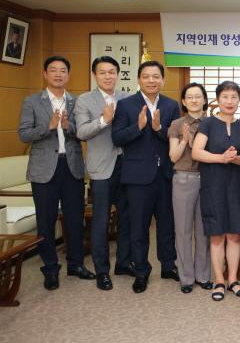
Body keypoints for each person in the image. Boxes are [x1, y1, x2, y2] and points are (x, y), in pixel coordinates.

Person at [18, 55, 95, 290]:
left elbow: (82, 133)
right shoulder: (32, 101)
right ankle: (50, 268)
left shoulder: (76, 102)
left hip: (71, 167)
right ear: (45, 74)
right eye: (53, 70)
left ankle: (76, 264)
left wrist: (67, 126)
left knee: (75, 219)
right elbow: (24, 134)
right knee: (46, 221)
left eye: (63, 70)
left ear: (68, 75)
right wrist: (48, 127)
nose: (58, 74)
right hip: (43, 170)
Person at [112, 60, 180, 294]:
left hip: (165, 174)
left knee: (167, 225)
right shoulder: (125, 105)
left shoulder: (171, 105)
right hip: (137, 176)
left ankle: (168, 266)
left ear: (163, 79)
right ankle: (141, 270)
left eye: (156, 76)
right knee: (138, 226)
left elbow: (175, 138)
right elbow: (117, 138)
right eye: (146, 76)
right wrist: (139, 127)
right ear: (138, 79)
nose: (151, 80)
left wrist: (159, 128)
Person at [74, 56, 133, 291]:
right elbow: (81, 132)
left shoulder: (127, 98)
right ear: (95, 75)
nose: (108, 76)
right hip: (101, 168)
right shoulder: (84, 100)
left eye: (111, 72)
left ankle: (123, 263)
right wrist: (103, 120)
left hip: (126, 165)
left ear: (117, 74)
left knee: (127, 217)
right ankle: (102, 271)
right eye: (102, 72)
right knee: (101, 221)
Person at [192, 81, 240, 302]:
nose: (229, 101)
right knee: (216, 236)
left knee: (234, 234)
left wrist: (235, 158)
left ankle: (233, 279)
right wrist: (221, 158)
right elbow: (196, 152)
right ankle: (218, 281)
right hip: (213, 186)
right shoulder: (207, 123)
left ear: (239, 100)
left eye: (234, 97)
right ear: (218, 99)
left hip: (234, 186)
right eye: (225, 97)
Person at [168, 82, 212, 294]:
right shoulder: (177, 124)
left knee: (204, 230)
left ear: (204, 100)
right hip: (184, 179)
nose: (194, 100)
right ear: (184, 102)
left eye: (198, 96)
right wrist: (185, 141)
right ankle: (186, 277)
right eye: (190, 97)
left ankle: (203, 275)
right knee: (183, 230)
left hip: (208, 179)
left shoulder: (212, 123)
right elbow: (173, 156)